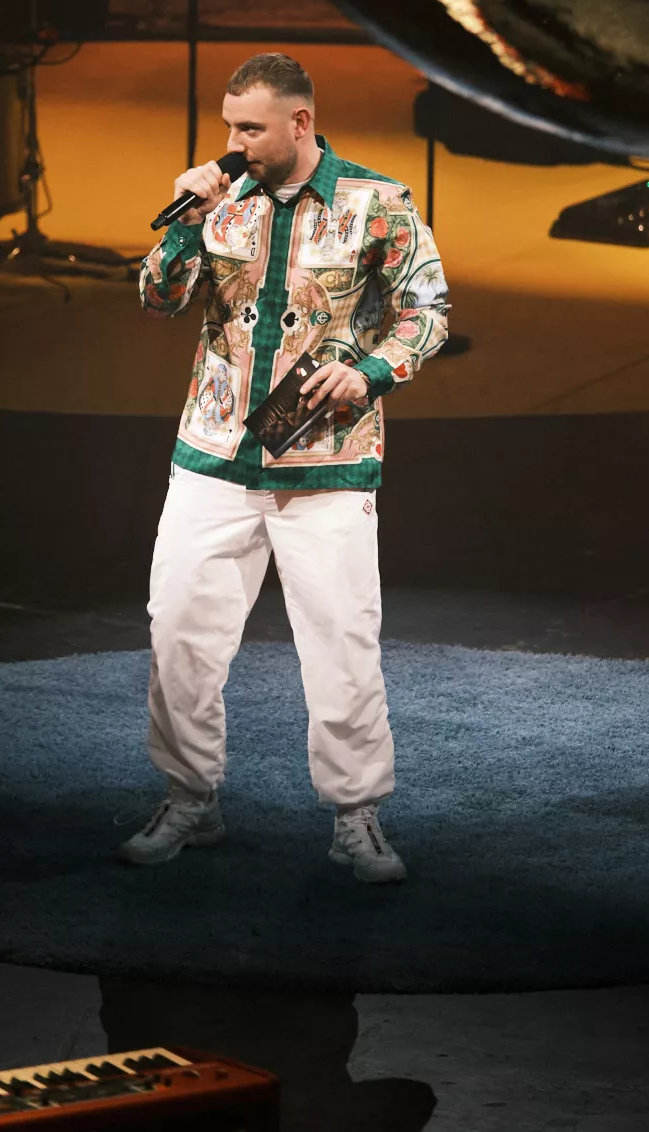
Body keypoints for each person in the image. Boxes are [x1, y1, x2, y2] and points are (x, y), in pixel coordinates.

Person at [122, 52, 449, 883]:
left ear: (300, 122)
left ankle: (356, 815)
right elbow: (158, 300)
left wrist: (369, 373)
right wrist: (187, 222)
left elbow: (426, 313)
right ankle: (190, 798)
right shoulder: (218, 200)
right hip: (213, 455)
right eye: (229, 125)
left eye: (250, 128)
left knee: (341, 643)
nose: (233, 143)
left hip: (328, 463)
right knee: (179, 633)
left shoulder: (377, 203)